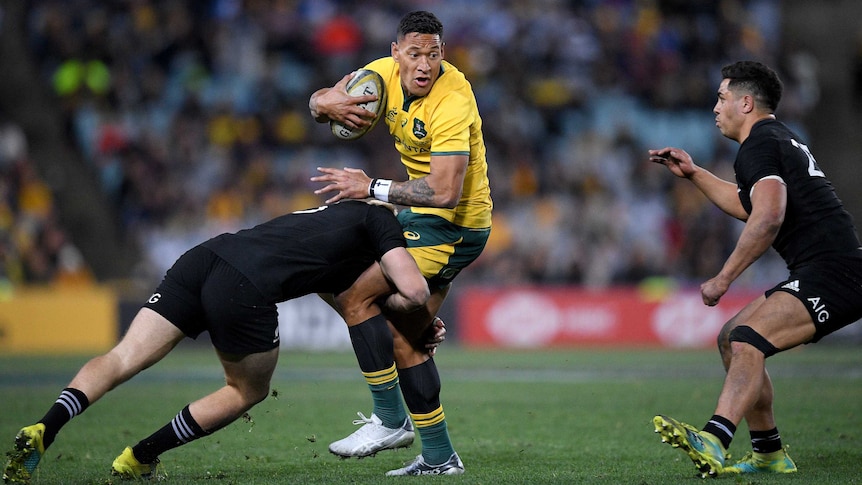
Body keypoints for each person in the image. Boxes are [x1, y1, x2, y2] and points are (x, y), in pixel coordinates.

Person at [2, 200, 430, 484]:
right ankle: (140, 456)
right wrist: (415, 312)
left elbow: (349, 306)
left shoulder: (332, 222)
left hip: (204, 258)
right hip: (243, 287)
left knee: (121, 356)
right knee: (247, 389)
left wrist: (393, 317)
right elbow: (414, 292)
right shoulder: (381, 220)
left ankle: (46, 426)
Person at [649, 60, 862, 477]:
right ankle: (768, 452)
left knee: (748, 340)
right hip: (827, 267)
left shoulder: (759, 144)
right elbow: (751, 205)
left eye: (722, 97)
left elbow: (768, 216)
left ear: (746, 103)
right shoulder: (776, 139)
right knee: (732, 339)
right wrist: (694, 174)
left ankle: (714, 437)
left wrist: (723, 278)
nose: (715, 107)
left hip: (835, 272)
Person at [308, 10, 492, 476]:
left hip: (454, 227)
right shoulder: (379, 76)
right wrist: (321, 105)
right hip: (416, 215)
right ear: (396, 54)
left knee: (351, 292)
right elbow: (321, 102)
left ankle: (389, 420)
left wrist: (370, 187)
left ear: (443, 54)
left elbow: (447, 192)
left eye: (433, 54)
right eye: (414, 53)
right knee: (404, 336)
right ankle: (439, 456)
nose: (424, 64)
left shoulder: (453, 99)